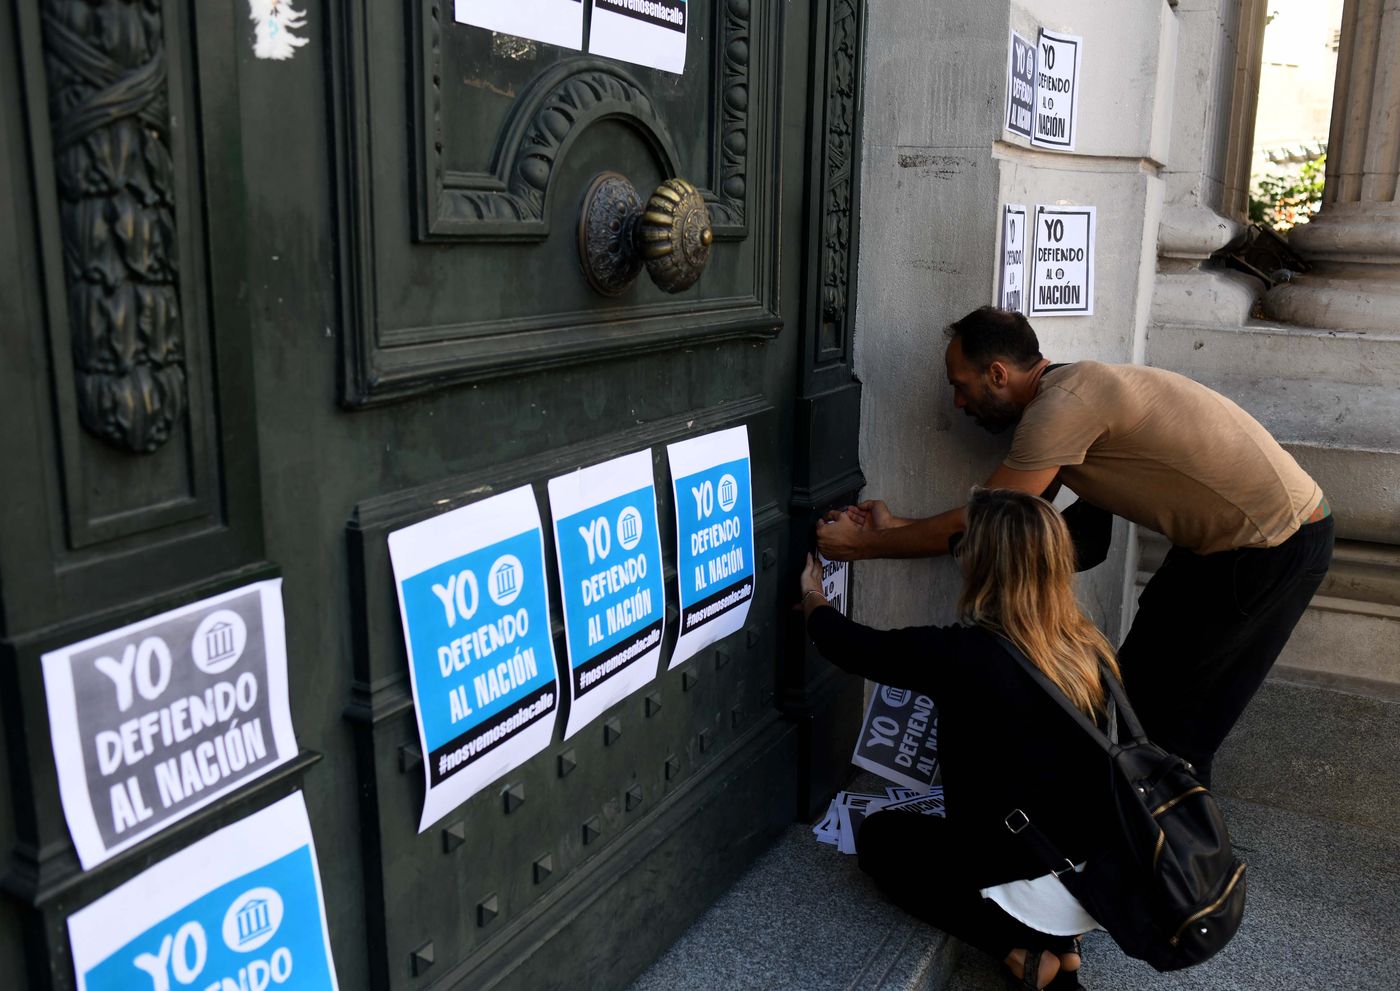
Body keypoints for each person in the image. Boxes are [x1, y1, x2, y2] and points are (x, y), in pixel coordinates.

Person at [816, 306, 1334, 786]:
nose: (957, 402)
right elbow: (1030, 526)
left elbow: (989, 523)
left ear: (998, 374)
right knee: (1134, 696)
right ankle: (1125, 833)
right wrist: (894, 525)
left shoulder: (1060, 408)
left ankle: (1165, 858)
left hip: (1269, 546)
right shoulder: (1073, 391)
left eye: (961, 385)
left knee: (1172, 722)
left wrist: (864, 546)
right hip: (1238, 543)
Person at [802, 488, 1122, 990]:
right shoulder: (1086, 644)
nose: (959, 552)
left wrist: (812, 597)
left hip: (1020, 873)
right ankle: (1062, 950)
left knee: (882, 840)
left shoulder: (967, 655)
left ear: (982, 564)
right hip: (1094, 872)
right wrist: (888, 527)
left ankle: (1020, 951)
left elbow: (852, 647)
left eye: (964, 544)